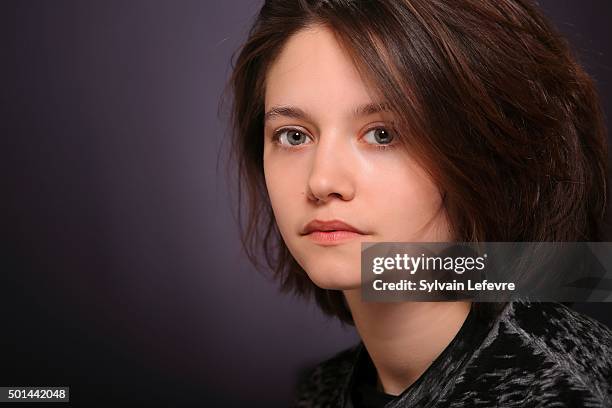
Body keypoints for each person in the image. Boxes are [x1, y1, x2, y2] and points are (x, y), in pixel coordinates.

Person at [226, 0, 612, 406]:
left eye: (382, 135)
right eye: (294, 136)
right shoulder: (320, 392)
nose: (322, 182)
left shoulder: (564, 391)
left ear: (483, 152)